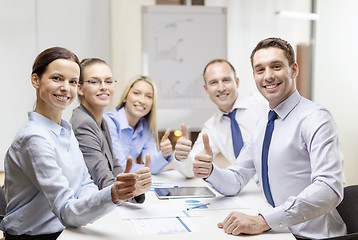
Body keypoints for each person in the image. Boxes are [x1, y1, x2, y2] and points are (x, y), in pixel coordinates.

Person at [194, 38, 346, 239]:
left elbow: (329, 188)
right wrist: (210, 171)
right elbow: (236, 179)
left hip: (311, 236)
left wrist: (262, 220)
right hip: (278, 232)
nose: (268, 76)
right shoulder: (263, 123)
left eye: (276, 66)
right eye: (260, 70)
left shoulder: (316, 118)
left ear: (293, 70)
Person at [0, 47, 141, 239]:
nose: (66, 88)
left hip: (68, 231)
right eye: (57, 78)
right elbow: (66, 211)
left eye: (73, 82)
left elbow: (86, 182)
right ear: (36, 80)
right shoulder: (34, 138)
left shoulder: (65, 130)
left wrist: (87, 208)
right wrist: (113, 194)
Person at [70, 58, 151, 203]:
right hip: (89, 206)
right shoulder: (83, 123)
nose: (104, 87)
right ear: (80, 88)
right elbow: (103, 179)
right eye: (94, 82)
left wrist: (134, 187)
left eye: (108, 81)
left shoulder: (101, 122)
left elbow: (114, 167)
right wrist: (131, 188)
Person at [174, 59, 267, 178]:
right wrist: (181, 157)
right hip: (248, 189)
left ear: (237, 82)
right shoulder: (212, 127)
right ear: (206, 89)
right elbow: (192, 169)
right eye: (213, 83)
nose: (221, 88)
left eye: (226, 80)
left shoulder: (264, 103)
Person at [104, 75, 173, 175]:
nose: (142, 100)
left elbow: (151, 164)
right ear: (125, 97)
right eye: (136, 93)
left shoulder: (145, 127)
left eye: (149, 96)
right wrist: (156, 168)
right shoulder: (109, 122)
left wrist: (164, 155)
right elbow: (121, 167)